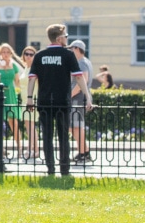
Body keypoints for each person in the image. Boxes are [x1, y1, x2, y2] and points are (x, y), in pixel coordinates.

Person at [25, 25, 92, 177]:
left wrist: (29, 99)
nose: (67, 39)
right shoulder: (68, 55)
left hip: (44, 102)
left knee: (47, 137)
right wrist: (87, 97)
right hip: (62, 101)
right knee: (63, 136)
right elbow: (79, 77)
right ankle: (64, 169)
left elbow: (32, 79)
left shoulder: (40, 55)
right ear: (59, 38)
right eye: (65, 36)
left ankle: (50, 169)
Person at [0, 44, 25, 157]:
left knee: (14, 122)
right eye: (3, 52)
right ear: (0, 54)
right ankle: (0, 149)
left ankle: (19, 148)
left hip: (11, 94)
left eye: (8, 52)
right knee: (0, 122)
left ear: (11, 54)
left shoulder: (14, 66)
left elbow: (18, 82)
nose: (5, 54)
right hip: (1, 94)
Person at [68, 39, 93, 164]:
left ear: (77, 49)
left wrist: (69, 95)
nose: (70, 51)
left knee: (76, 127)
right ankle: (84, 151)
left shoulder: (81, 63)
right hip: (79, 98)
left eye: (71, 49)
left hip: (77, 98)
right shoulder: (85, 61)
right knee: (74, 127)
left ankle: (83, 153)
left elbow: (82, 81)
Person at [19, 45, 39, 159]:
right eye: (26, 54)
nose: (28, 56)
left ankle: (32, 149)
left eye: (31, 54)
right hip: (24, 99)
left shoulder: (35, 68)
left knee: (31, 126)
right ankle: (33, 149)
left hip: (32, 99)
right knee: (28, 126)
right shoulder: (25, 68)